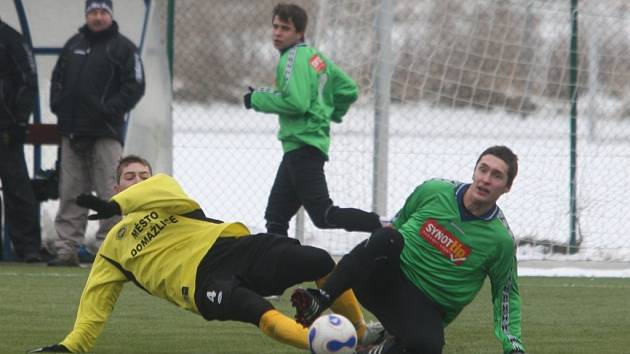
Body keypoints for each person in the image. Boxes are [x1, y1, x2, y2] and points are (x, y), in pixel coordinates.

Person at [28, 155, 384, 353]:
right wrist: (68, 348)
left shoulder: (167, 194)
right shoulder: (111, 250)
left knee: (319, 260)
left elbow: (159, 186)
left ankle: (361, 332)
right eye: (129, 177)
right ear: (116, 185)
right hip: (203, 283)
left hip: (233, 247)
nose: (139, 181)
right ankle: (323, 346)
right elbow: (94, 310)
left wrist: (114, 204)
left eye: (143, 175)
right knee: (261, 312)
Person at [292, 146, 527, 354]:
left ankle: (377, 347)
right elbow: (395, 225)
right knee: (388, 237)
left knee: (428, 347)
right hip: (383, 283)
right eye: (483, 169)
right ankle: (319, 300)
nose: (486, 179)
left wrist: (513, 346)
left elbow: (505, 295)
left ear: (507, 187)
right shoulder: (433, 190)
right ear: (474, 171)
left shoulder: (501, 240)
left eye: (496, 176)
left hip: (426, 309)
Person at [244, 3, 381, 236]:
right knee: (276, 218)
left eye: (285, 28)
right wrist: (329, 112)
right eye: (275, 26)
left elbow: (296, 103)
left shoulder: (292, 57)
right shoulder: (314, 57)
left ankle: (383, 225)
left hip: (302, 147)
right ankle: (281, 269)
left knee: (323, 215)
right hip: (301, 146)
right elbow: (348, 89)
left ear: (299, 32)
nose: (277, 33)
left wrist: (256, 98)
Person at [48, 0, 145, 266]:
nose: (98, 17)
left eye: (103, 12)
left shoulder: (124, 48)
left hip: (106, 132)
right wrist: (59, 106)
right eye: (93, 12)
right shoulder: (74, 44)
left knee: (111, 193)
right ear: (86, 15)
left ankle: (109, 250)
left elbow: (135, 85)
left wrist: (108, 110)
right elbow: (57, 79)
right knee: (71, 193)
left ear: (110, 16)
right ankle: (67, 249)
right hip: (73, 132)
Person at [0, 18, 42, 262]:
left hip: (5, 130)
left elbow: (28, 80)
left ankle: (28, 248)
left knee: (17, 189)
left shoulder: (10, 38)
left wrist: (19, 122)